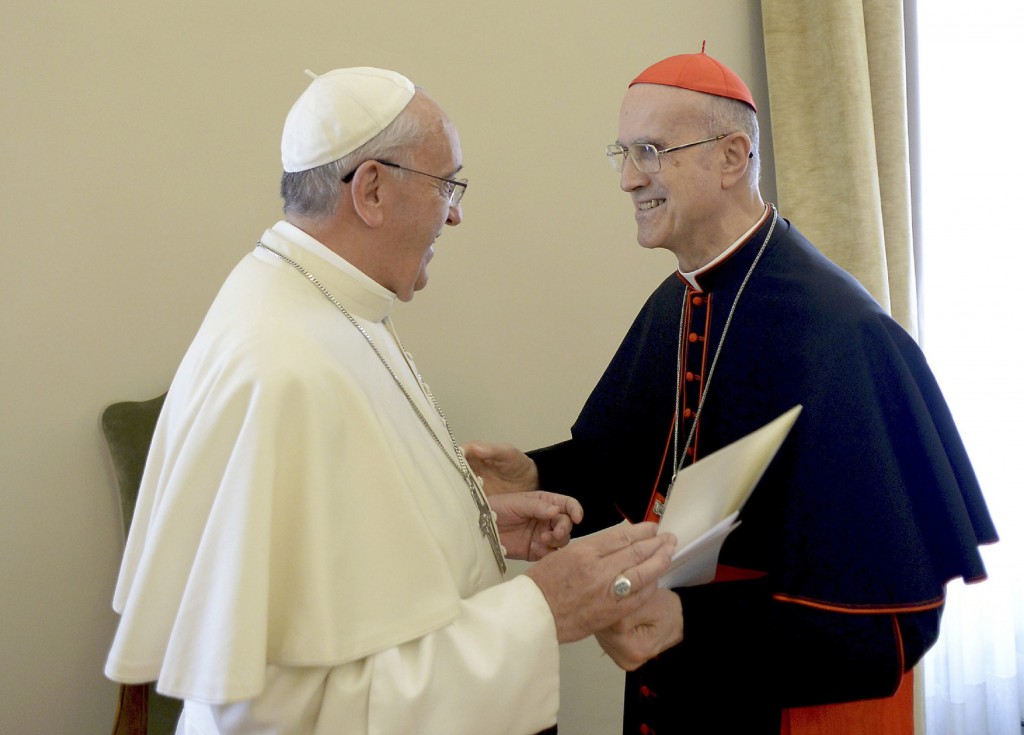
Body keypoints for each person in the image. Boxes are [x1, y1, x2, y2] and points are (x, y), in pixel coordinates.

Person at [104, 66, 677, 735]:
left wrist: (475, 521)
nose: (456, 212)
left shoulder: (318, 300)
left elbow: (339, 540)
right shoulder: (284, 366)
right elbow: (280, 713)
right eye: (448, 185)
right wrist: (541, 610)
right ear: (372, 189)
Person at [464, 48, 998, 734]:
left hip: (778, 711)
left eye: (651, 150)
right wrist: (536, 471)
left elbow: (894, 625)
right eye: (622, 152)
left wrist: (688, 620)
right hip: (673, 695)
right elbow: (629, 468)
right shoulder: (675, 303)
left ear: (731, 156)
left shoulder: (844, 335)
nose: (628, 178)